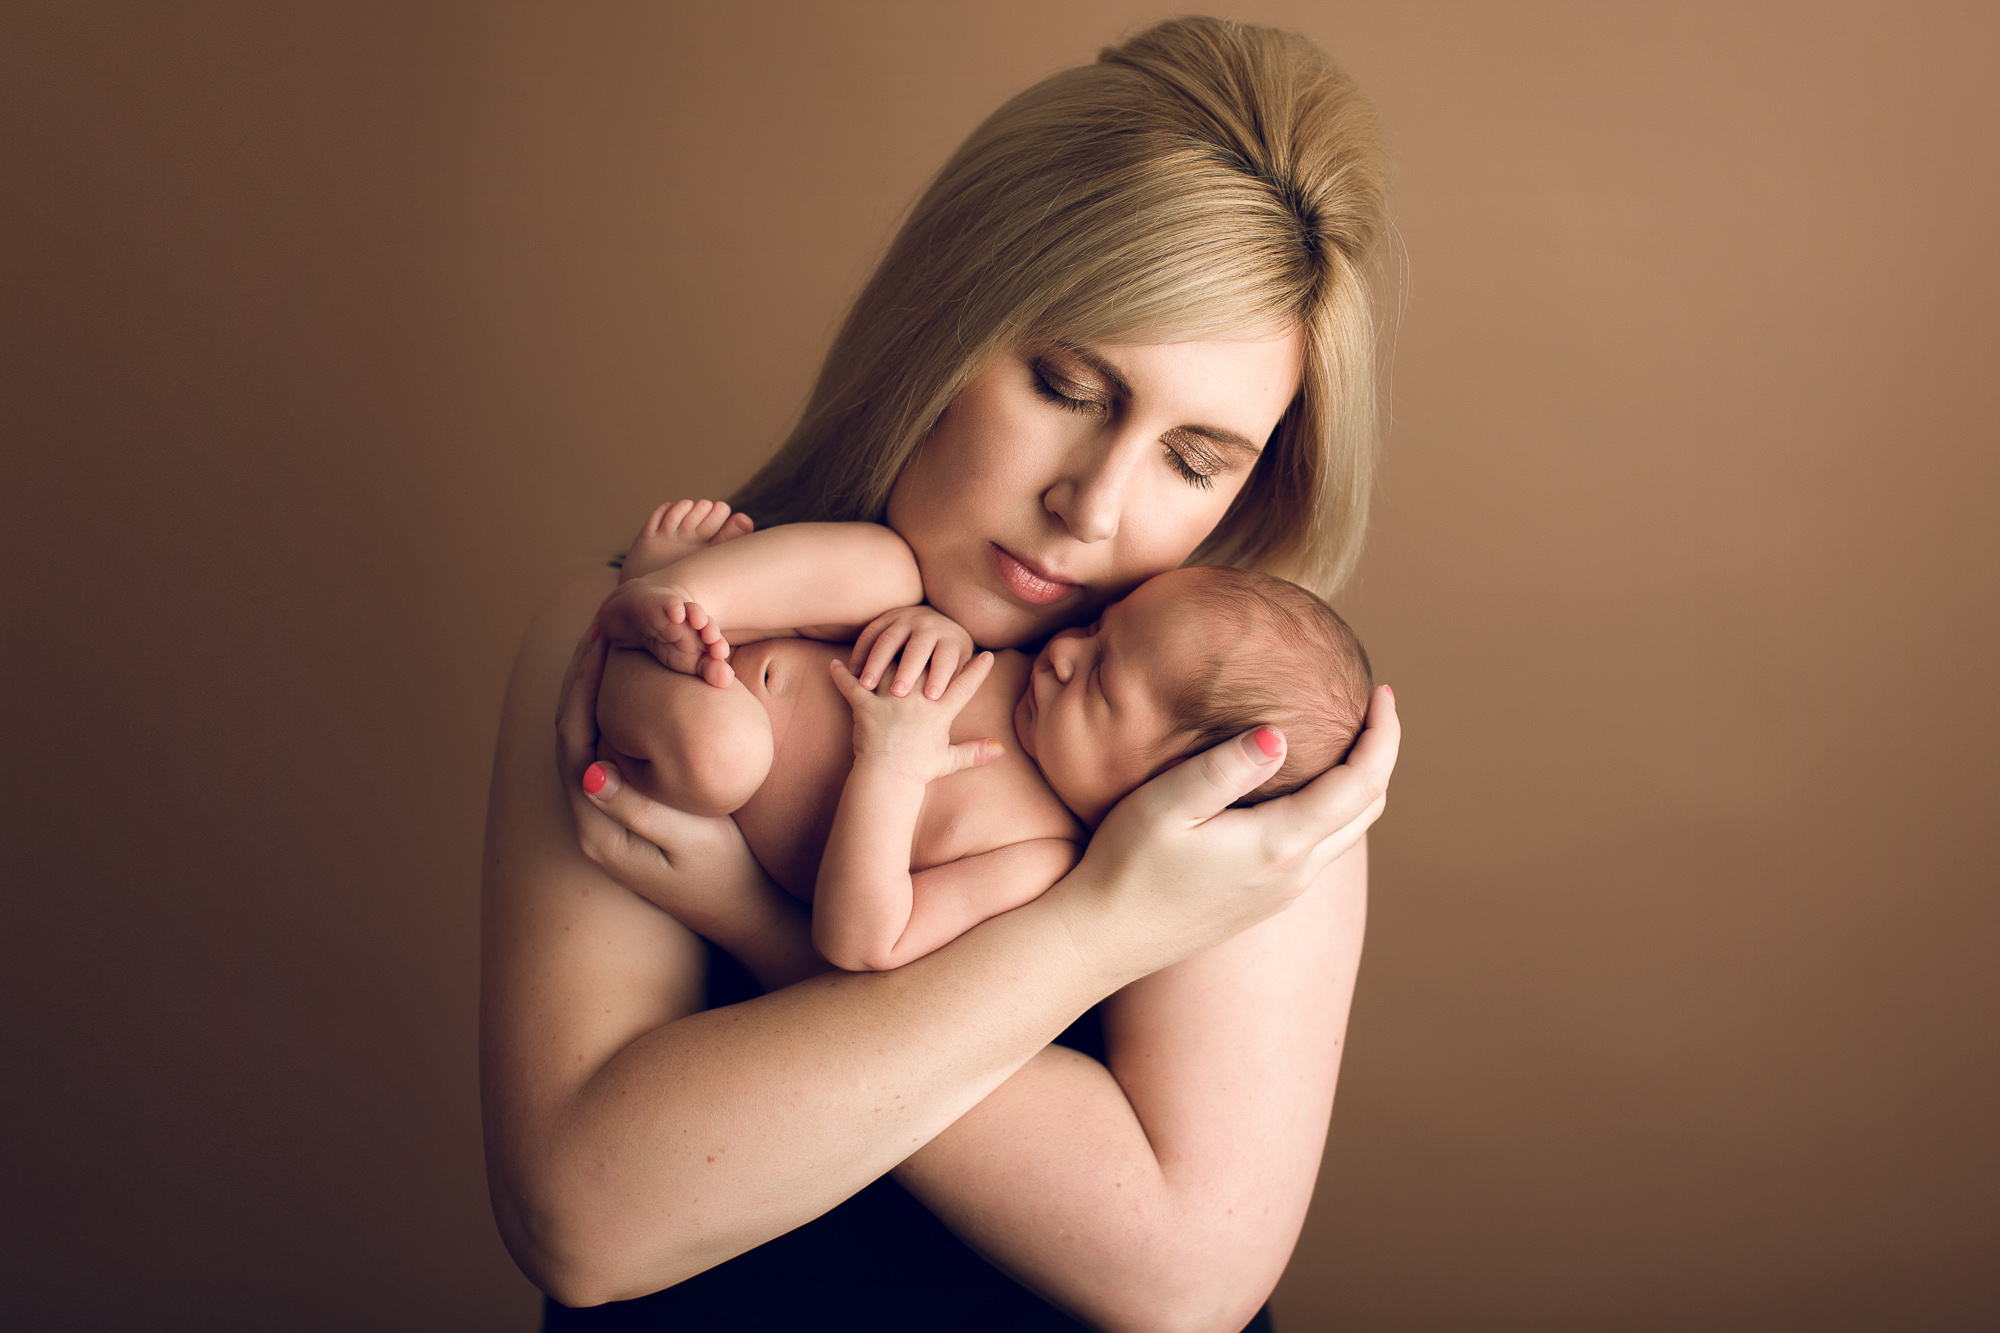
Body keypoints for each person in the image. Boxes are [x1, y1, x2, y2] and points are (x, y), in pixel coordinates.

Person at [481, 16, 1402, 1331]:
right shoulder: (660, 637)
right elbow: (585, 1217)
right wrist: (1088, 930)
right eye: (1070, 385)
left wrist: (1083, 926)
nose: (1093, 506)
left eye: (1197, 459)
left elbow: (1181, 1271)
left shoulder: (1239, 760)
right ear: (947, 317)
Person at [589, 501, 1372, 971]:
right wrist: (927, 627)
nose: (1065, 652)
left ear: (1170, 786)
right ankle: (686, 593)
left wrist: (891, 768)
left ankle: (644, 648)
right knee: (887, 568)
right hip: (756, 639)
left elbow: (866, 942)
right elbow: (894, 629)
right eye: (1099, 628)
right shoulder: (1033, 666)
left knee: (722, 758)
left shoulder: (1037, 857)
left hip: (716, 725)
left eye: (1100, 681)